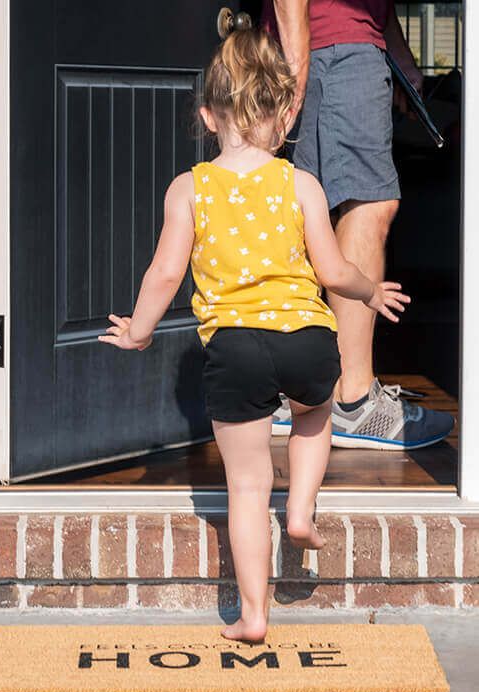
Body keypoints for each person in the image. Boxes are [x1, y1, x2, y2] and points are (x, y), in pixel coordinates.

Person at [99, 28, 408, 642]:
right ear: (284, 117)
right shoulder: (301, 184)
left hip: (235, 347)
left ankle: (253, 614)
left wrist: (139, 331)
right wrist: (371, 292)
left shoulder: (190, 188)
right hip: (306, 338)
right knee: (315, 415)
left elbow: (165, 273)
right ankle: (300, 511)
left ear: (208, 116)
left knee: (245, 485)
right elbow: (333, 271)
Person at [266, 0, 454, 449]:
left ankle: (304, 395)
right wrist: (296, 67)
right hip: (334, 48)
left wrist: (397, 53)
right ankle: (352, 402)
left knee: (316, 208)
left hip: (343, 43)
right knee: (368, 204)